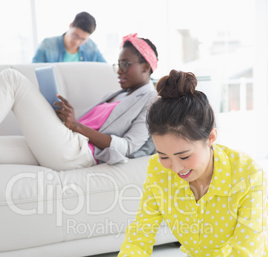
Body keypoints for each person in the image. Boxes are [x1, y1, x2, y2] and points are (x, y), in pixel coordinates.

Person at [72, 69, 268, 257]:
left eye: (184, 155)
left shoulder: (248, 174)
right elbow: (136, 246)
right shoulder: (157, 172)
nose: (174, 167)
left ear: (211, 138)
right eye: (164, 156)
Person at [0, 34, 158, 170]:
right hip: (67, 140)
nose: (119, 70)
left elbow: (127, 147)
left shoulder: (151, 100)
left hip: (79, 153)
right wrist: (64, 116)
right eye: (118, 64)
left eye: (125, 64)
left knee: (12, 78)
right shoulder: (117, 94)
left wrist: (76, 125)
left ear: (145, 67)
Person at [32, 11, 106, 63]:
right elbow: (33, 71)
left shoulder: (92, 48)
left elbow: (105, 70)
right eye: (75, 35)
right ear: (70, 26)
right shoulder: (47, 45)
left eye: (82, 39)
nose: (77, 42)